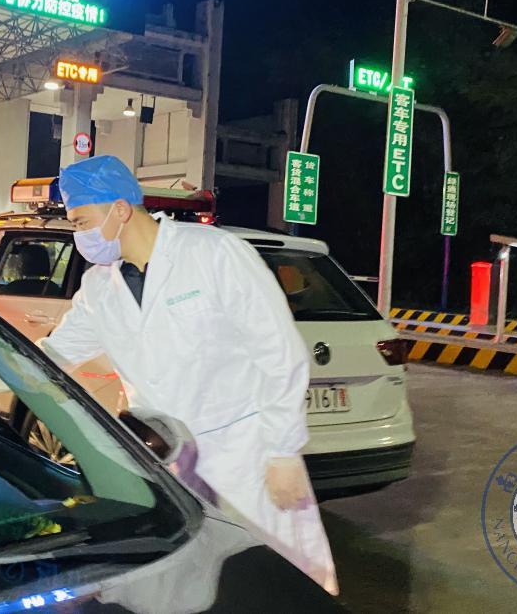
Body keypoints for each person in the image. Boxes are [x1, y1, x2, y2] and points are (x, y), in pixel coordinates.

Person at [42, 155, 337, 593]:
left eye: (81, 222)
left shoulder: (212, 253)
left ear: (120, 209)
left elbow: (279, 353)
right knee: (196, 587)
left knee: (278, 583)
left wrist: (282, 452)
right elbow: (51, 355)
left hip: (247, 458)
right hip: (168, 462)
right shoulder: (100, 288)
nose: (78, 235)